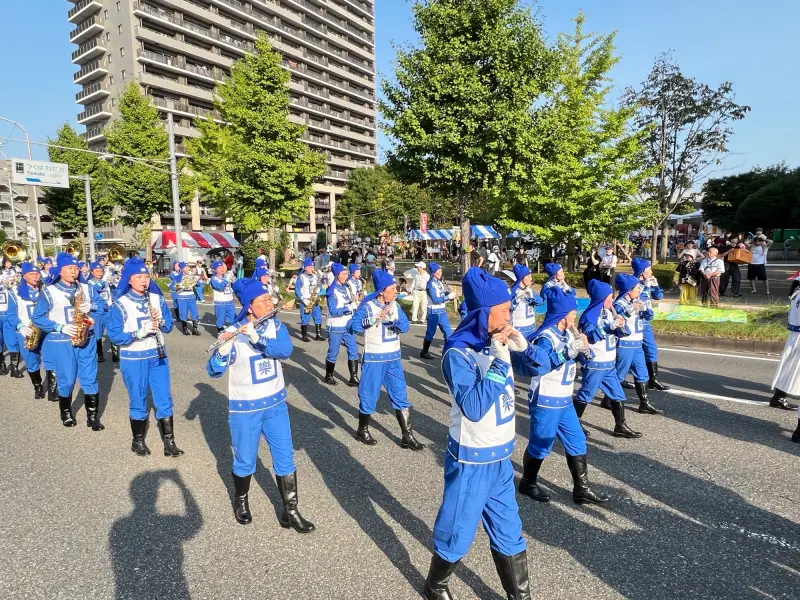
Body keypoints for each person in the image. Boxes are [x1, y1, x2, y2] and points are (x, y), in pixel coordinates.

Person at [423, 267, 531, 600]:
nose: (510, 314)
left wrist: (522, 348)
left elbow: (534, 368)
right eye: (504, 310)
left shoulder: (497, 341)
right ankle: (435, 584)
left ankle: (520, 596)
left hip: (500, 457)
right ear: (484, 313)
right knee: (458, 530)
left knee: (509, 531)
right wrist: (500, 364)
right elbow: (472, 406)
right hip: (471, 457)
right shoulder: (458, 353)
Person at [207, 280, 315, 531]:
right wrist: (222, 351)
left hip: (276, 404)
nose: (271, 303)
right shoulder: (234, 332)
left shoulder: (275, 326)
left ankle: (291, 510)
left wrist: (258, 339)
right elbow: (213, 371)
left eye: (270, 298)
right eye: (264, 300)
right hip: (246, 409)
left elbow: (285, 350)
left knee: (285, 457)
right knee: (245, 460)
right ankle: (241, 501)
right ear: (249, 308)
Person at [513, 287, 609, 509]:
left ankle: (581, 489)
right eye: (572, 314)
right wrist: (568, 352)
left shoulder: (568, 333)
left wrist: (585, 349)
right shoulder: (545, 338)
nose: (575, 317)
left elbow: (583, 360)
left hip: (564, 398)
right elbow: (542, 364)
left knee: (576, 440)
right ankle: (527, 482)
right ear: (563, 316)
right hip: (546, 398)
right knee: (540, 445)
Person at [107, 258, 183, 457]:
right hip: (134, 358)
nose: (144, 280)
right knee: (138, 399)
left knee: (164, 398)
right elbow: (114, 336)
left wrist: (162, 318)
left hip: (158, 355)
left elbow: (167, 327)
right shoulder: (121, 304)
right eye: (138, 277)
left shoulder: (156, 298)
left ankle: (169, 443)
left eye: (146, 276)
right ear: (129, 280)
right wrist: (137, 333)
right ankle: (137, 441)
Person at [347, 269, 425, 450]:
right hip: (375, 359)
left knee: (400, 395)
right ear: (382, 290)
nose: (396, 291)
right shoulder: (368, 306)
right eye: (392, 288)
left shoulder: (395, 306)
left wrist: (396, 323)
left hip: (394, 358)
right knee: (369, 395)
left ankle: (407, 435)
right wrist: (374, 318)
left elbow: (405, 326)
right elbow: (353, 326)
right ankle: (362, 429)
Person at [32, 252, 102, 430]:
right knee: (67, 379)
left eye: (76, 268)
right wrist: (59, 327)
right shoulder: (49, 291)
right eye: (70, 268)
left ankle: (92, 417)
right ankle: (66, 412)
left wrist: (92, 306)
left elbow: (104, 306)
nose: (74, 271)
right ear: (60, 271)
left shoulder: (86, 288)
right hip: (61, 340)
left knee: (90, 378)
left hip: (87, 338)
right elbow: (38, 317)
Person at [573, 280, 641, 439]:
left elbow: (623, 333)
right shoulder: (590, 316)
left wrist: (621, 325)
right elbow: (590, 337)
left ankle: (620, 426)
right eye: (609, 297)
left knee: (617, 394)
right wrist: (609, 327)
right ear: (601, 299)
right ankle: (574, 423)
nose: (612, 300)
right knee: (586, 394)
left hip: (609, 363)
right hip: (595, 362)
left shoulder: (610, 312)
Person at [612, 274, 662, 415]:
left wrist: (646, 311)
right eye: (636, 288)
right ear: (628, 290)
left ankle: (644, 403)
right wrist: (631, 309)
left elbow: (645, 316)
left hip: (638, 342)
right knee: (619, 375)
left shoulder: (637, 300)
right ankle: (608, 398)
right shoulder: (619, 304)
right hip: (625, 343)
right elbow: (619, 320)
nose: (639, 290)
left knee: (642, 374)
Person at [621, 258, 671, 391]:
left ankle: (653, 379)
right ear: (641, 272)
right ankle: (620, 378)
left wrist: (655, 285)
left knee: (651, 349)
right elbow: (638, 299)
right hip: (633, 321)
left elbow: (658, 296)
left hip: (645, 322)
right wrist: (647, 286)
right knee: (629, 352)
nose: (651, 272)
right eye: (648, 270)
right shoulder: (634, 283)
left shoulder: (647, 282)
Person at [7, 263, 45, 396]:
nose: (36, 276)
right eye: (32, 274)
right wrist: (20, 326)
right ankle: (38, 386)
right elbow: (11, 315)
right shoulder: (15, 292)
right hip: (27, 331)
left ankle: (53, 388)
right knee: (32, 361)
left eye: (37, 274)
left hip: (45, 329)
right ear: (24, 276)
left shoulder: (45, 289)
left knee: (52, 359)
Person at [323, 263, 359, 387]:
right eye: (344, 274)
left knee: (354, 350)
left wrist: (353, 303)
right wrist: (347, 309)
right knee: (333, 352)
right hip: (336, 325)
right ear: (337, 275)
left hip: (348, 325)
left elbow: (349, 302)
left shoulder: (346, 287)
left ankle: (353, 377)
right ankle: (328, 376)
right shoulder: (331, 290)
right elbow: (332, 311)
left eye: (347, 273)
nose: (346, 276)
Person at [420, 262, 454, 360]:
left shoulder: (439, 282)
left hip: (442, 311)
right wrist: (449, 297)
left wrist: (448, 292)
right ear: (434, 272)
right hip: (433, 312)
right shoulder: (430, 284)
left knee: (448, 333)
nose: (441, 272)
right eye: (439, 271)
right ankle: (424, 352)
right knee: (430, 333)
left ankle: (447, 354)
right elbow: (435, 300)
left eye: (441, 270)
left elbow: (441, 295)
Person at [87, 262, 112, 364]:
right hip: (97, 312)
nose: (100, 273)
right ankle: (100, 353)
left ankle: (115, 354)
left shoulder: (105, 282)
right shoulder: (89, 284)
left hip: (108, 310)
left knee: (112, 330)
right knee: (97, 333)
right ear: (92, 272)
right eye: (97, 271)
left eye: (101, 271)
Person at [510, 263, 543, 338]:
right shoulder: (514, 291)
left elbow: (540, 302)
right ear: (522, 278)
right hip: (518, 329)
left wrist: (531, 296)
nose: (531, 279)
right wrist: (518, 297)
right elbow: (509, 307)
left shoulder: (529, 290)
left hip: (531, 327)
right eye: (528, 277)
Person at [170, 262, 203, 336]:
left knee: (194, 312)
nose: (187, 269)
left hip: (191, 296)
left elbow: (198, 284)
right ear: (182, 269)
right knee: (183, 313)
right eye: (185, 268)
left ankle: (195, 329)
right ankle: (184, 329)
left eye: (188, 267)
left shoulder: (191, 276)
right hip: (182, 297)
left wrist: (196, 280)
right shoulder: (178, 277)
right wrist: (178, 286)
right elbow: (172, 286)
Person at [295, 258, 323, 342]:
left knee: (318, 317)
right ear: (305, 268)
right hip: (306, 300)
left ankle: (318, 335)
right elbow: (297, 290)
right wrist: (303, 299)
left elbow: (320, 286)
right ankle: (304, 335)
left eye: (313, 267)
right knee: (305, 318)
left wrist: (319, 290)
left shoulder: (315, 276)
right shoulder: (301, 277)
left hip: (314, 299)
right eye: (310, 267)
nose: (312, 269)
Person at [209, 261, 236, 334]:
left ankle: (232, 335)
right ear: (215, 270)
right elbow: (220, 287)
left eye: (222, 267)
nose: (222, 269)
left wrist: (233, 278)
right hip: (220, 303)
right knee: (220, 320)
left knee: (233, 319)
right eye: (219, 268)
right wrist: (227, 278)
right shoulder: (213, 279)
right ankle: (220, 335)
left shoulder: (226, 276)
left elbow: (235, 286)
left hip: (230, 302)